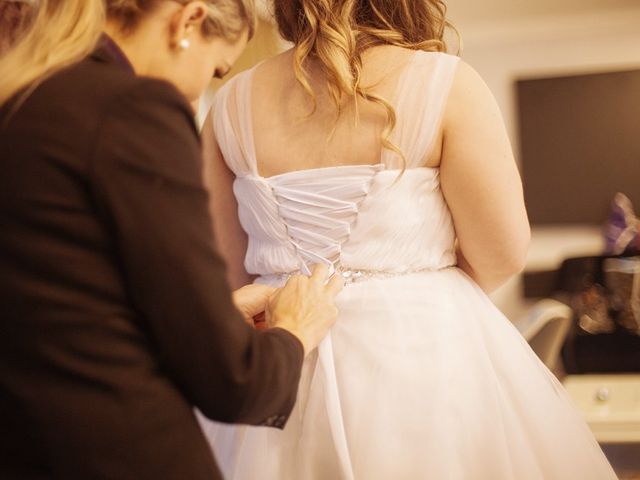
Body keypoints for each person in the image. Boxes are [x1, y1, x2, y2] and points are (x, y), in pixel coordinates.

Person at [199, 0, 618, 478]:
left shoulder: (229, 105)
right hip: (424, 353)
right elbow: (502, 253)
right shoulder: (448, 84)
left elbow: (226, 271)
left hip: (281, 357)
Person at [0, 1, 343, 479]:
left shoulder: (20, 97)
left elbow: (74, 299)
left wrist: (212, 316)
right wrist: (293, 331)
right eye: (215, 69)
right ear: (188, 20)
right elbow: (233, 383)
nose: (200, 92)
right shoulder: (132, 109)